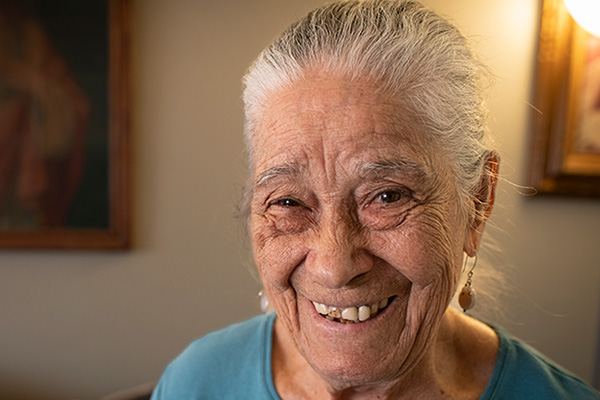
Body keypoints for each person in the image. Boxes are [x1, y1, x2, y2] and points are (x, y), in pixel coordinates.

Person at [151, 1, 599, 398]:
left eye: (386, 196)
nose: (334, 266)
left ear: (478, 202)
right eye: (288, 202)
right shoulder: (196, 382)